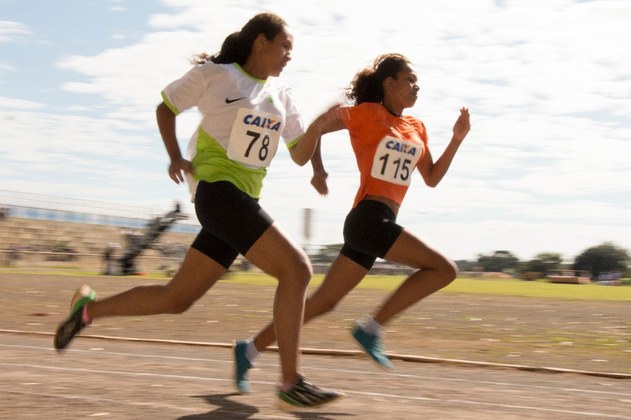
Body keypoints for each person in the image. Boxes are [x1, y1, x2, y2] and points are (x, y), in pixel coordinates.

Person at [53, 12, 342, 408]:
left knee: (177, 298)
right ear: (261, 41)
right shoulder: (216, 75)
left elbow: (299, 155)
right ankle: (290, 382)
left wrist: (322, 125)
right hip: (217, 193)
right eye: (285, 46)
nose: (289, 56)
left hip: (242, 202)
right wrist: (175, 157)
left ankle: (88, 311)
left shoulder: (284, 97)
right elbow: (166, 107)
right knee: (297, 269)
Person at [233, 53, 471, 392]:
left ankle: (250, 350)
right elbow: (316, 127)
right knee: (444, 269)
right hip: (367, 219)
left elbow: (431, 178)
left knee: (321, 303)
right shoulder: (365, 114)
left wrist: (457, 139)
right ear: (389, 83)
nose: (416, 87)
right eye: (410, 80)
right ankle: (371, 329)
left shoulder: (417, 127)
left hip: (378, 224)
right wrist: (317, 168)